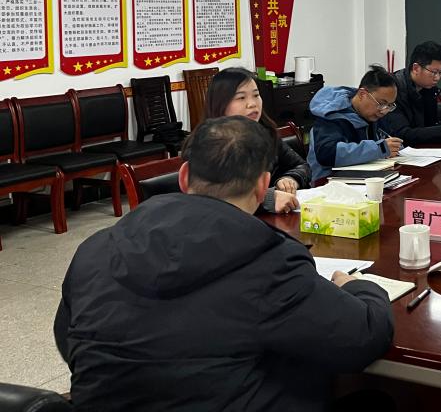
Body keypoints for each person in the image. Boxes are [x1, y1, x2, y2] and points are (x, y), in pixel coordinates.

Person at [54, 116, 394, 411]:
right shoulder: (270, 261)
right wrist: (360, 288)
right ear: (263, 186)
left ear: (184, 176)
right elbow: (363, 337)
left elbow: (69, 340)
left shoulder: (96, 247)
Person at [205, 67, 310, 213]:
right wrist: (269, 198)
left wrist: (290, 179)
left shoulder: (266, 133)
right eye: (241, 98)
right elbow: (218, 196)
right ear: (220, 104)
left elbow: (302, 166)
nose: (252, 104)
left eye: (256, 95)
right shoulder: (208, 144)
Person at [307, 65, 403, 182]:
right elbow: (327, 154)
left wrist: (393, 147)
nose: (384, 110)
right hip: (328, 183)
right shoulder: (332, 114)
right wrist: (379, 149)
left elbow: (386, 139)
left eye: (390, 105)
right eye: (382, 103)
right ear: (362, 94)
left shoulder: (373, 114)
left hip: (367, 178)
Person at [381, 41, 441, 145]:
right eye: (434, 72)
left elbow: (428, 127)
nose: (437, 78)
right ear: (416, 68)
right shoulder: (393, 90)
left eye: (440, 73)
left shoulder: (428, 89)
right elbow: (402, 134)